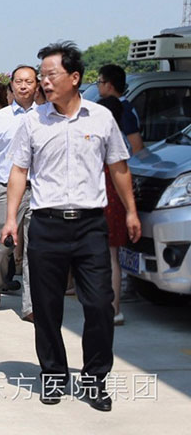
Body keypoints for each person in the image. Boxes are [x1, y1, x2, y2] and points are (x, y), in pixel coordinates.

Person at [2, 42, 140, 411]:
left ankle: (95, 379)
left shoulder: (101, 118)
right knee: (46, 308)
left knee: (99, 304)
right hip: (46, 225)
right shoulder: (33, 121)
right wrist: (11, 218)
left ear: (75, 77)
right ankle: (53, 375)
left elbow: (119, 167)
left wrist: (131, 211)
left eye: (51, 75)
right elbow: (19, 171)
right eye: (42, 76)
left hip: (90, 226)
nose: (44, 82)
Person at [0, 65, 38, 322]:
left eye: (29, 81)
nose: (23, 86)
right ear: (11, 85)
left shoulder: (47, 115)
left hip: (39, 190)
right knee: (4, 244)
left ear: (37, 85)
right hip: (6, 188)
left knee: (35, 249)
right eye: (19, 81)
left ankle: (31, 305)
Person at [97, 96, 129, 327]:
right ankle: (115, 309)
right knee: (112, 256)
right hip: (116, 201)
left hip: (99, 201)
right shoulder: (122, 138)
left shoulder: (100, 137)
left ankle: (110, 308)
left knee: (104, 258)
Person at [96, 64, 144, 154]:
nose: (98, 86)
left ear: (109, 85)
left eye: (99, 82)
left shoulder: (124, 110)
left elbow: (137, 146)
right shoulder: (115, 106)